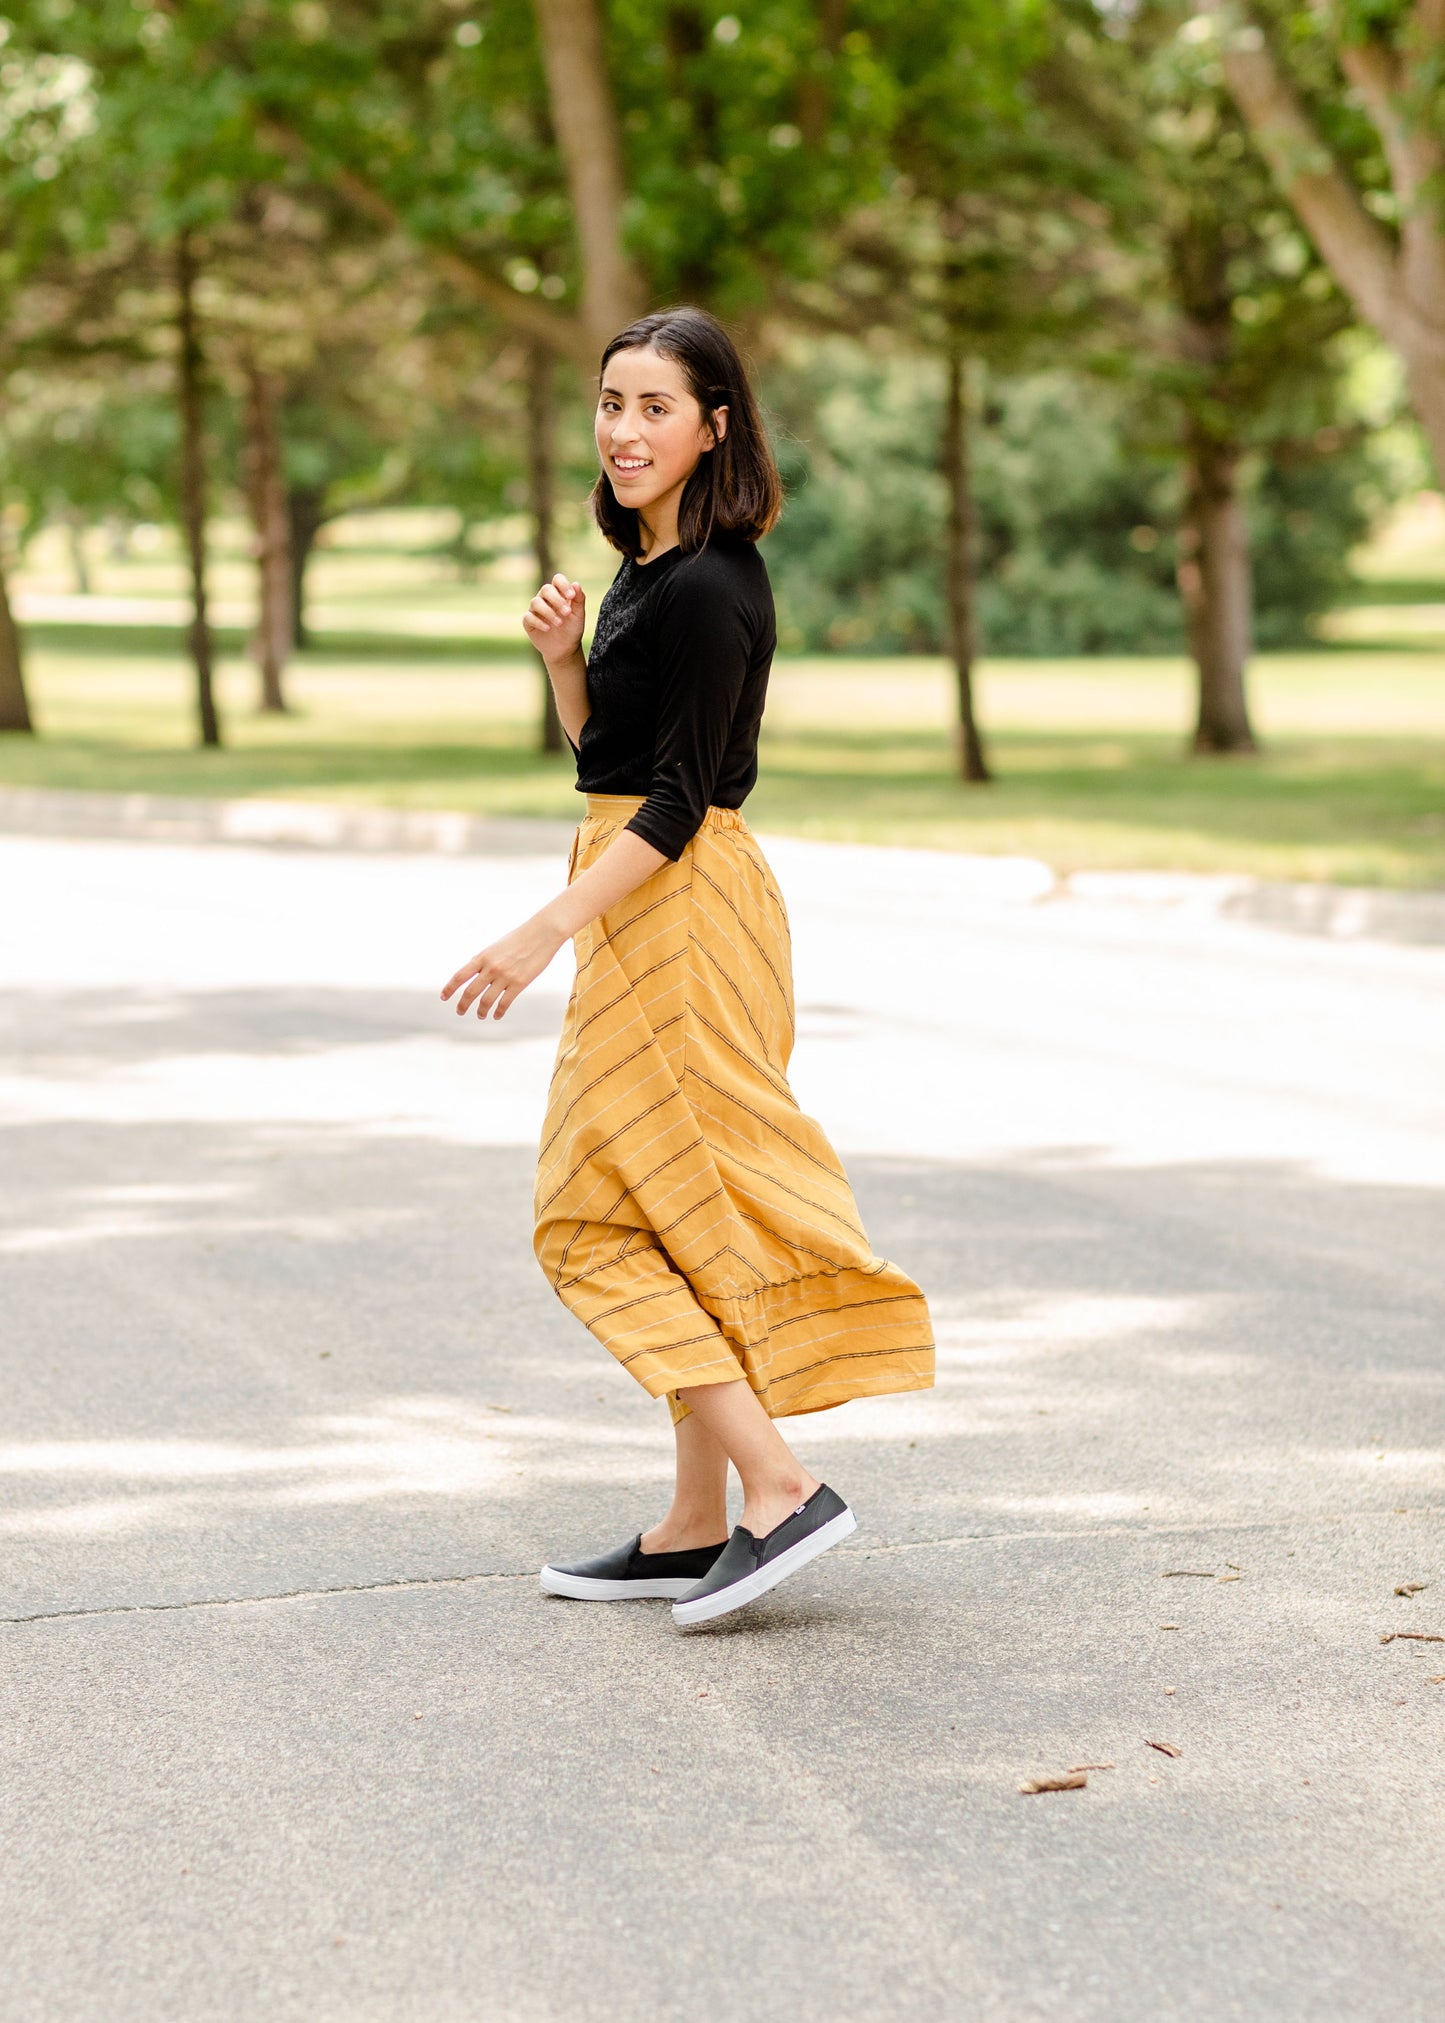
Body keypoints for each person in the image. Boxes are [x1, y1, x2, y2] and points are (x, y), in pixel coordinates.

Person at [442, 307, 933, 1627]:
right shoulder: (647, 574)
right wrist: (562, 666)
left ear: (716, 425)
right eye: (610, 402)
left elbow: (677, 806)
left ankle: (778, 1488)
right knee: (658, 1208)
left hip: (681, 902)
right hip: (634, 890)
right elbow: (612, 762)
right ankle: (691, 1520)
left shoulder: (715, 584)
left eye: (655, 406)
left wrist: (544, 929)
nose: (622, 429)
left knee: (583, 1220)